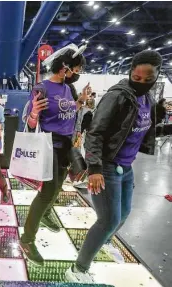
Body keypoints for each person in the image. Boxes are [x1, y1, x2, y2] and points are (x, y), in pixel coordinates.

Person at [65, 50, 163, 283]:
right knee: (108, 219)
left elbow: (141, 131)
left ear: (156, 77)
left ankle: (102, 244)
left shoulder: (146, 99)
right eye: (136, 78)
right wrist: (95, 169)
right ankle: (77, 270)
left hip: (125, 167)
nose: (140, 83)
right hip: (106, 168)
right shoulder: (118, 96)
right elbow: (95, 133)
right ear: (130, 72)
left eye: (147, 80)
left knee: (123, 214)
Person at [19, 46, 89, 265]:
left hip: (67, 146)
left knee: (58, 187)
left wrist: (81, 101)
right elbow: (30, 123)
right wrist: (33, 113)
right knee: (47, 191)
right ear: (64, 68)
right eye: (76, 69)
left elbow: (70, 111)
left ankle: (47, 213)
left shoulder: (69, 89)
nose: (78, 73)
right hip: (50, 145)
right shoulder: (43, 88)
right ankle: (27, 240)